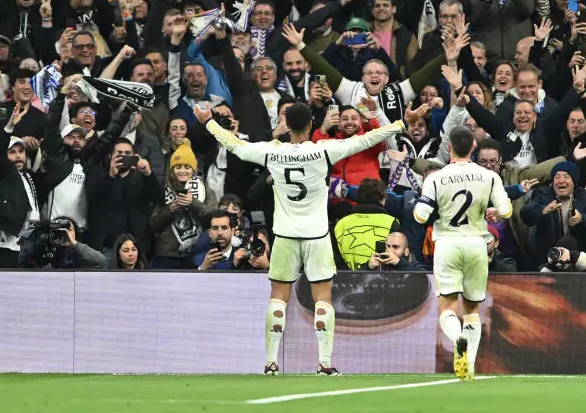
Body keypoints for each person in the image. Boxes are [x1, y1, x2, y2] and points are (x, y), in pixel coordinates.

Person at [193, 101, 405, 376]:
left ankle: (271, 363)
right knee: (323, 298)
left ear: (286, 125)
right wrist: (399, 123)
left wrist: (208, 122)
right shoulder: (323, 150)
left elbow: (236, 146)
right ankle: (324, 364)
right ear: (311, 125)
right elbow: (365, 140)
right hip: (316, 235)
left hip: (284, 235)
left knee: (278, 297)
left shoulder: (272, 152)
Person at [414, 126, 513, 381]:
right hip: (476, 244)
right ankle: (469, 367)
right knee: (471, 310)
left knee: (447, 308)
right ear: (473, 148)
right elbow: (506, 211)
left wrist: (435, 208)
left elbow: (420, 216)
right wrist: (493, 211)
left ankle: (458, 338)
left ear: (449, 148)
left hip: (447, 243)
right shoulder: (489, 176)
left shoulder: (436, 178)